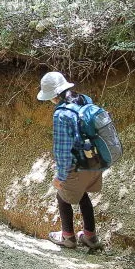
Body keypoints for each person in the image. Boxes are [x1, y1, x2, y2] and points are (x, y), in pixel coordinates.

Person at [36, 71, 103, 250]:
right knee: (82, 193)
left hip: (78, 164)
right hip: (95, 160)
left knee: (62, 194)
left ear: (53, 96)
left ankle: (68, 237)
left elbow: (62, 150)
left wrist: (61, 176)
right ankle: (90, 236)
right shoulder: (85, 100)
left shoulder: (61, 114)